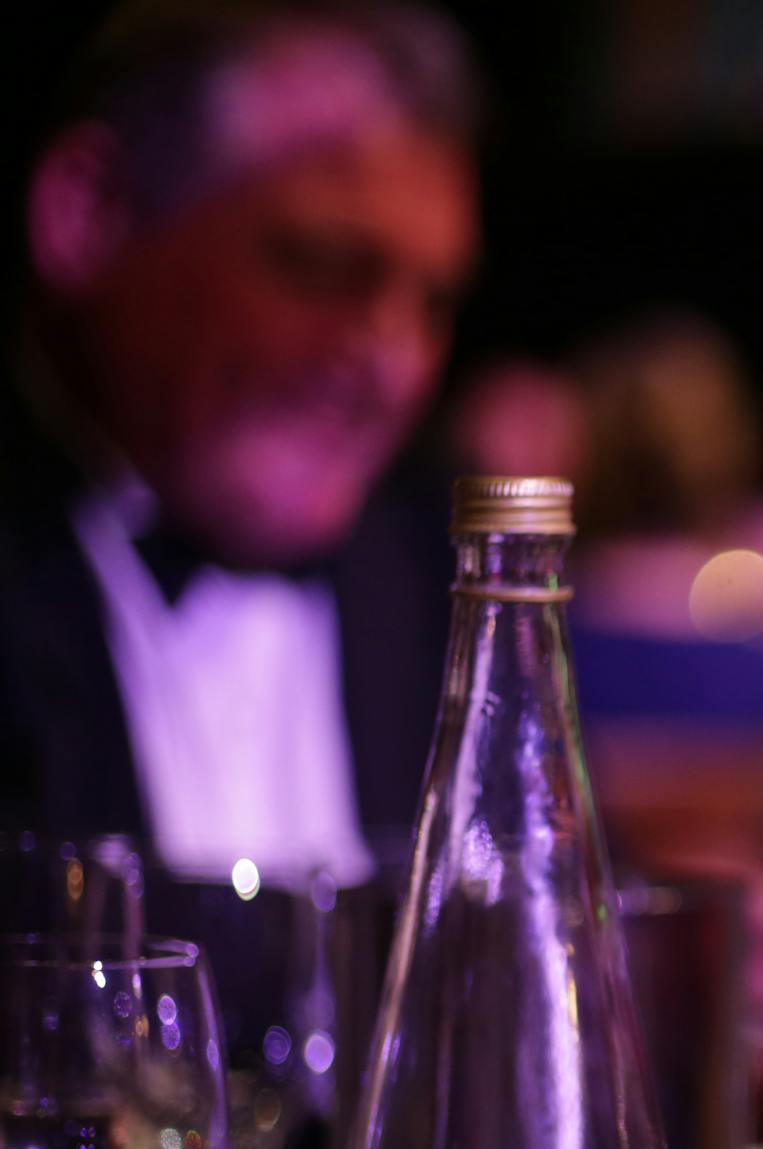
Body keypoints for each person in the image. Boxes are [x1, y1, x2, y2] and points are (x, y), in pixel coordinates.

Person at [0, 0, 481, 885]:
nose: (395, 369)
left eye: (434, 306)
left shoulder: (446, 579)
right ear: (88, 210)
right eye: (325, 263)